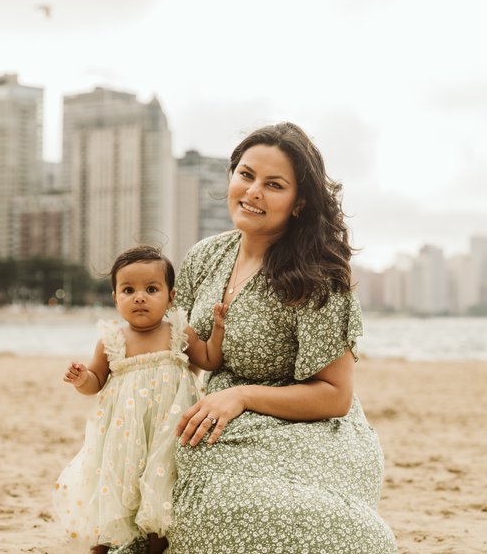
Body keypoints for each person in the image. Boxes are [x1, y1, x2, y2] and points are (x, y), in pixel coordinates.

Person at [164, 122, 396, 552]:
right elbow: (184, 348)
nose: (253, 192)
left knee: (222, 502)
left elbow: (334, 396)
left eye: (274, 185)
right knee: (182, 475)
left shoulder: (317, 276)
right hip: (222, 420)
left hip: (312, 431)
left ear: (298, 203)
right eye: (246, 175)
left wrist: (242, 396)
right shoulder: (205, 257)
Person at [53, 245, 226, 554]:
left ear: (171, 297)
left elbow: (210, 359)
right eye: (128, 289)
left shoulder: (178, 332)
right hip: (124, 431)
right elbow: (95, 381)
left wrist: (218, 330)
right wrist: (82, 379)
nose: (139, 297)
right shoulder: (112, 339)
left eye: (151, 289)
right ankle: (101, 546)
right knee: (116, 482)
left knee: (162, 482)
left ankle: (156, 546)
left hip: (167, 427)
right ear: (115, 297)